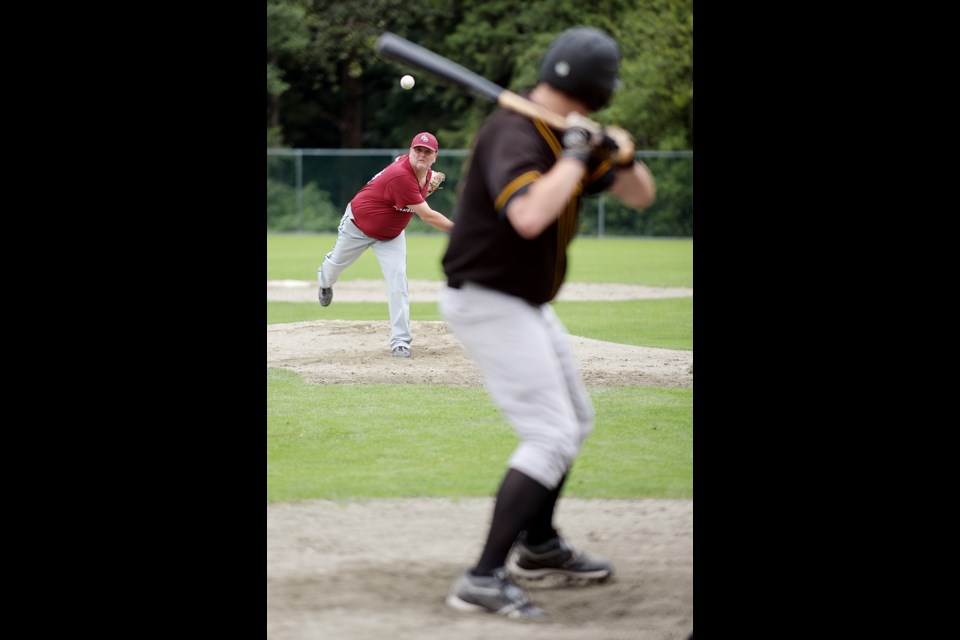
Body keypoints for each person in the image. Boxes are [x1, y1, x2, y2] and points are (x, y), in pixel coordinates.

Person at [439, 27, 656, 618]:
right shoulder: (514, 132)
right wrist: (580, 152)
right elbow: (530, 216)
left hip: (524, 302)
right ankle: (482, 577)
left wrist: (621, 153)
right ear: (597, 88)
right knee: (550, 433)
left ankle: (537, 545)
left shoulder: (563, 134)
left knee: (575, 421)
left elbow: (641, 195)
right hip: (486, 298)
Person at [317, 132, 453, 358]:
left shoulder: (426, 175)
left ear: (435, 157)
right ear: (410, 151)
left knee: (398, 280)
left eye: (427, 152)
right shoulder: (400, 175)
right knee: (334, 267)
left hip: (391, 235)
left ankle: (401, 341)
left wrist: (425, 184)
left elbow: (419, 189)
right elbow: (428, 216)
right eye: (418, 150)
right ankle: (324, 281)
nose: (422, 154)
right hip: (357, 227)